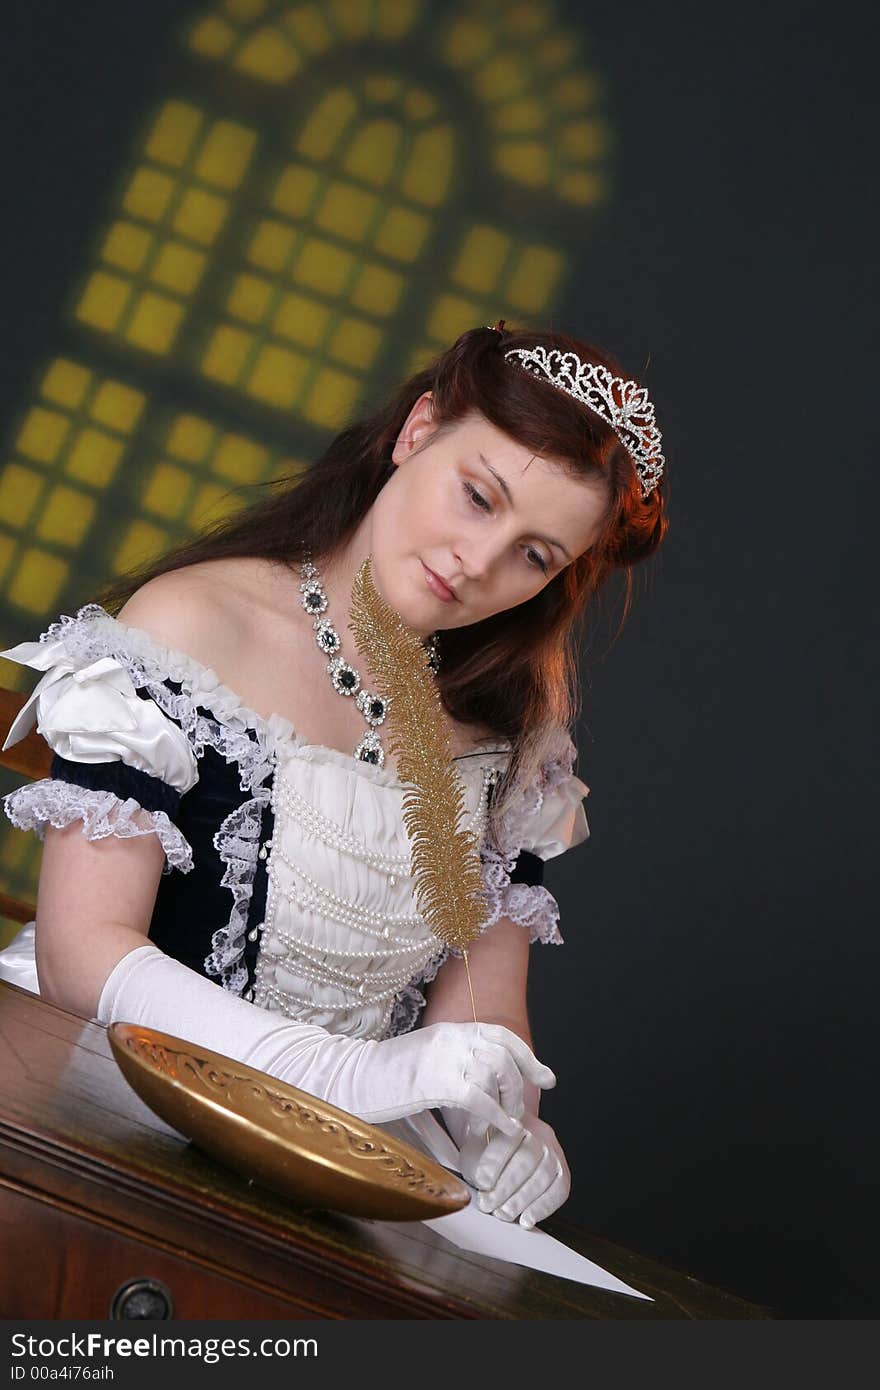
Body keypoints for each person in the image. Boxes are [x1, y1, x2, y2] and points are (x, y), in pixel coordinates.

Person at [0, 324, 667, 1231]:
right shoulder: (196, 621)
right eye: (477, 497)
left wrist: (502, 1121)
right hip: (91, 1104)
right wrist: (344, 1075)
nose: (481, 562)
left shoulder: (509, 738)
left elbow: (482, 1005)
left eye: (536, 556)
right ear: (418, 430)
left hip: (332, 1167)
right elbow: (80, 949)